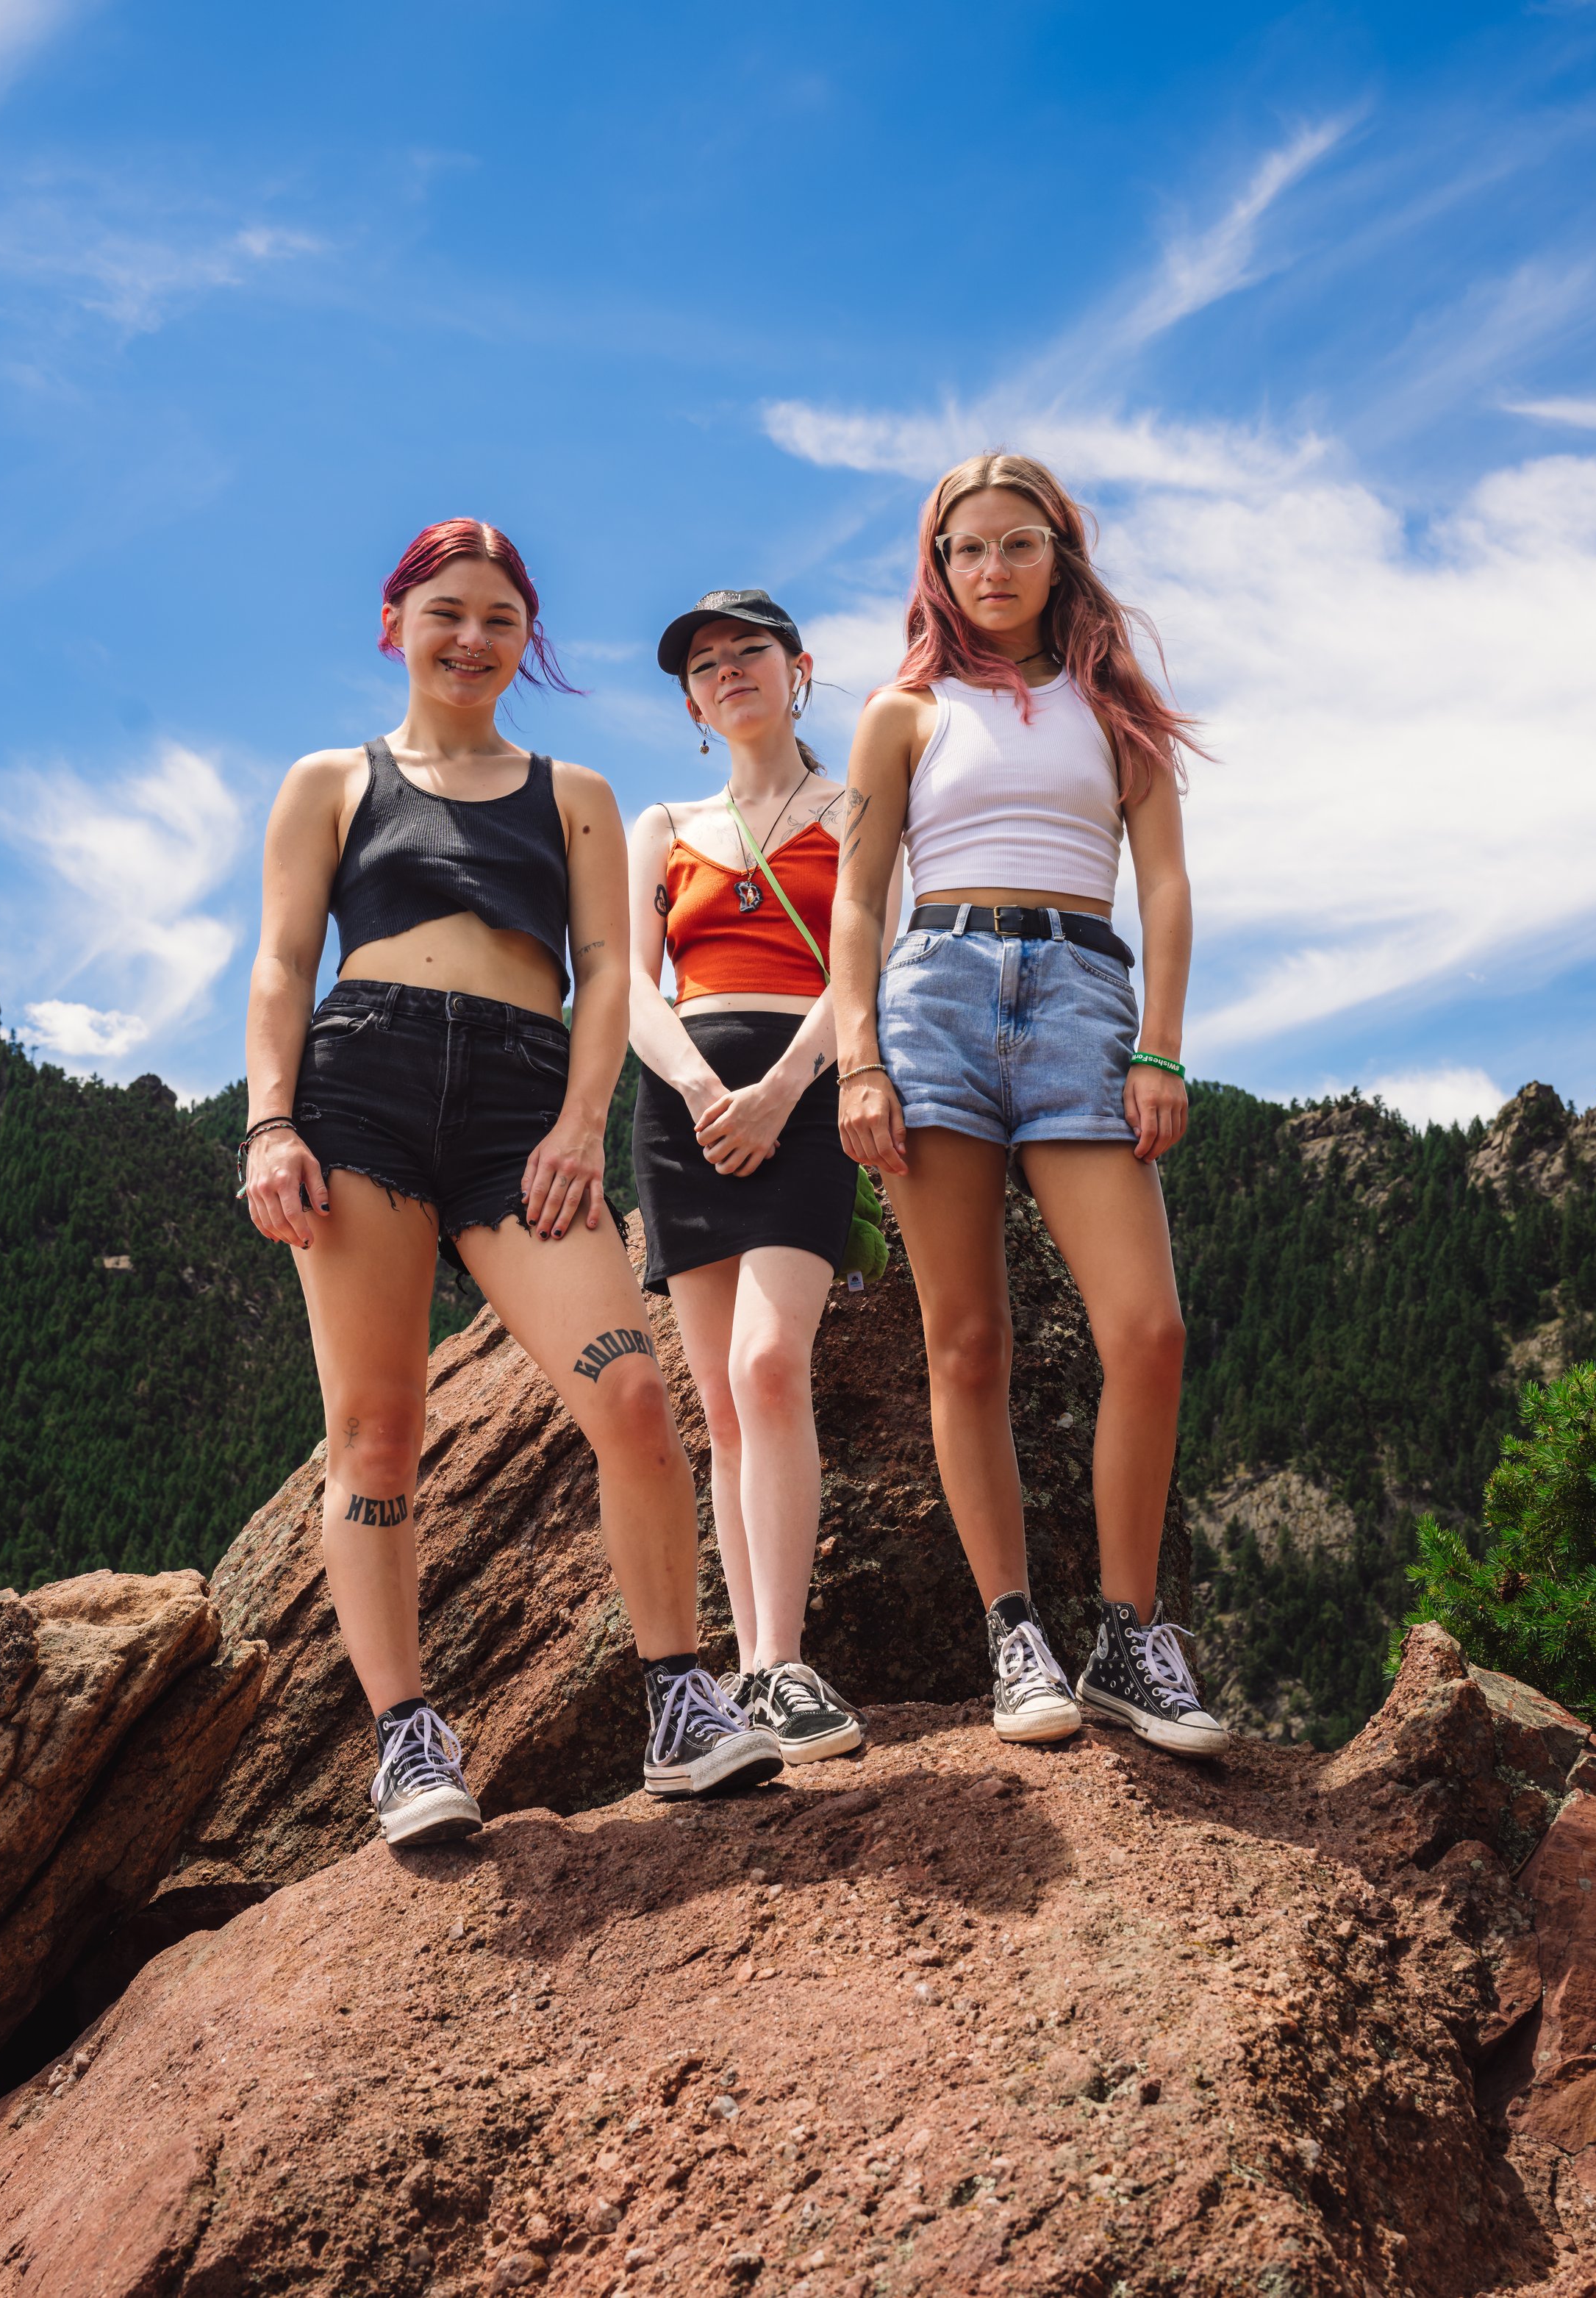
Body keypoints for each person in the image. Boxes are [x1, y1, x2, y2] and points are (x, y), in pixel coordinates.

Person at [240, 520, 779, 1847]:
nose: (471, 638)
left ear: (526, 639)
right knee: (375, 1434)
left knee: (636, 1392)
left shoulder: (576, 794)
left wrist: (579, 1122)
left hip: (522, 1107)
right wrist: (267, 1125)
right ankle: (409, 1738)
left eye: (498, 617)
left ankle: (678, 1699)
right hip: (360, 1091)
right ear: (395, 624)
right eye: (446, 613)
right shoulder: (332, 782)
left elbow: (610, 970)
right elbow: (280, 966)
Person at [830, 454, 1229, 1756]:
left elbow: (1163, 887)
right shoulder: (902, 712)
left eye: (1016, 544)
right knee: (966, 1341)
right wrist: (858, 1059)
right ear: (936, 567)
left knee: (1150, 1330)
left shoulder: (1116, 713)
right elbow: (857, 895)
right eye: (965, 550)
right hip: (934, 994)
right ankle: (1016, 1634)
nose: (990, 569)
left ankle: (1127, 1632)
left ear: (1061, 552)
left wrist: (1160, 1049)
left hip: (1080, 1004)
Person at [626, 589, 883, 1761]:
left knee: (771, 1363)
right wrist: (697, 1091)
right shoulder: (662, 822)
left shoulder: (857, 807)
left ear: (800, 670)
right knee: (723, 1403)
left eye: (749, 653)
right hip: (685, 1104)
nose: (727, 671)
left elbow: (863, 962)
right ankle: (750, 1668)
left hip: (809, 1090)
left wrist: (780, 1091)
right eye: (706, 664)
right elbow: (626, 983)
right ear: (689, 701)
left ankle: (782, 1660)